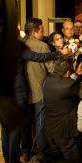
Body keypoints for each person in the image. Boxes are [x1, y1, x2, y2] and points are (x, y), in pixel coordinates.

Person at [26, 56, 82, 163]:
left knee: (58, 153)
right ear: (67, 73)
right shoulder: (69, 85)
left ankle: (41, 159)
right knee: (75, 162)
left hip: (49, 129)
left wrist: (75, 74)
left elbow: (67, 81)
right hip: (64, 131)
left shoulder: (47, 80)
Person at [24, 18, 54, 155]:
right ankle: (42, 151)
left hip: (24, 91)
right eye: (42, 30)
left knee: (27, 124)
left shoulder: (20, 44)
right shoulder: (42, 46)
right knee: (41, 122)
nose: (43, 33)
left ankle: (27, 151)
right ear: (35, 32)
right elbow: (52, 68)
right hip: (39, 89)